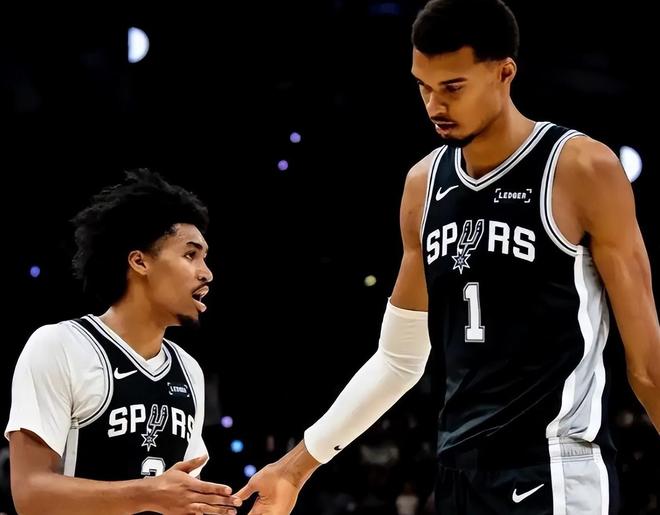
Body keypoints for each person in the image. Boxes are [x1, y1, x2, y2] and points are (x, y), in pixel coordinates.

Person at [236, 0, 660, 513]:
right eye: (423, 87)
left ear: (504, 73)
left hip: (553, 468)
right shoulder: (423, 185)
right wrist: (294, 468)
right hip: (457, 473)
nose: (434, 105)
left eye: (453, 88)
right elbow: (398, 359)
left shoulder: (581, 167)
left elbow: (648, 367)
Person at [5, 169, 242, 514]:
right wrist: (147, 494)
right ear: (140, 261)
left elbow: (182, 500)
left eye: (204, 258)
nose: (207, 272)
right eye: (190, 255)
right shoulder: (60, 345)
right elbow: (29, 494)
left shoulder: (188, 370)